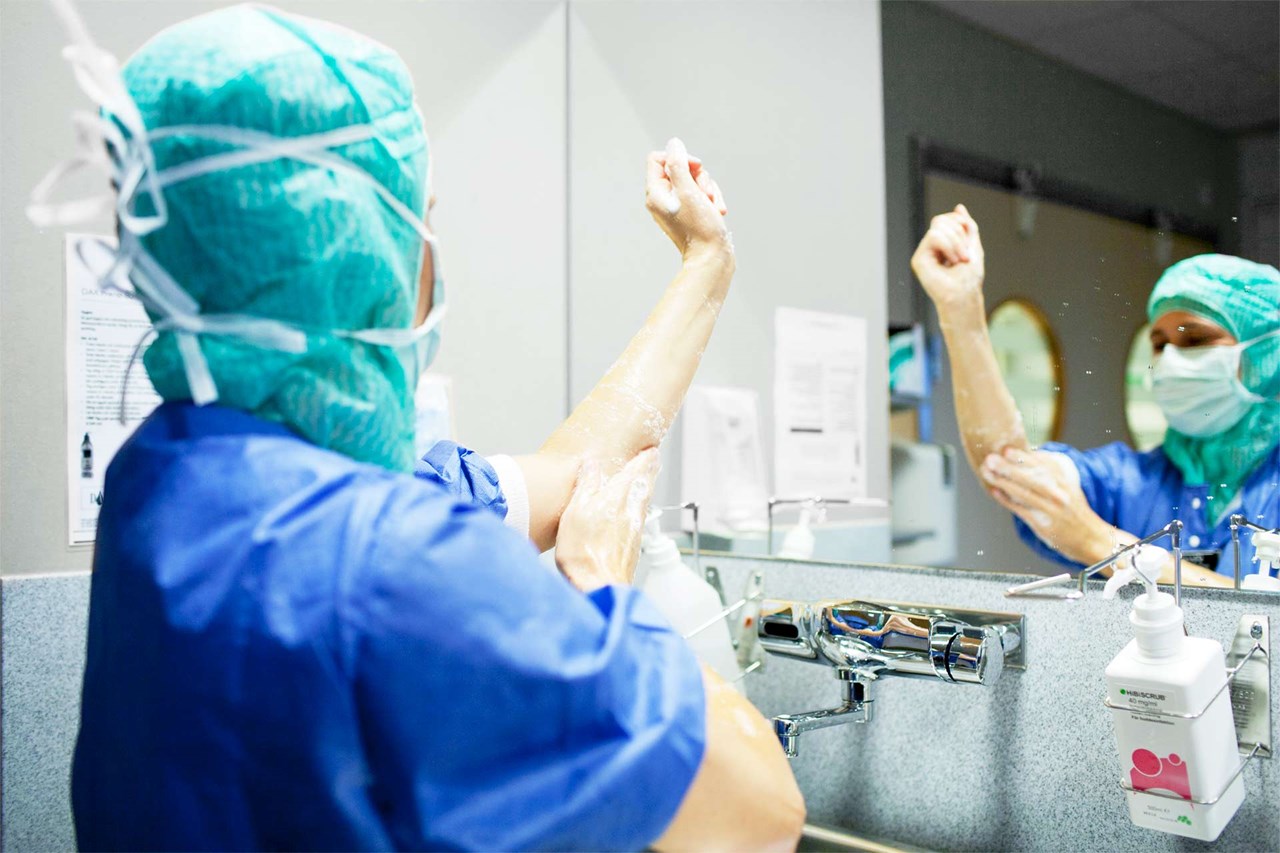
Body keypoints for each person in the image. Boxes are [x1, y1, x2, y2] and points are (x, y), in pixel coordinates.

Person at [33, 4, 805, 850]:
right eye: (418, 222)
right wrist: (608, 589)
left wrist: (707, 264)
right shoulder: (388, 566)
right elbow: (760, 806)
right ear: (363, 255)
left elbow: (578, 471)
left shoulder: (164, 481)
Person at [911, 205, 1278, 586]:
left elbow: (1266, 621)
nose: (1170, 360)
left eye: (1195, 339)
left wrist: (1096, 541)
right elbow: (1009, 468)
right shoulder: (1135, 482)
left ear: (1266, 356)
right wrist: (961, 311)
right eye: (1158, 343)